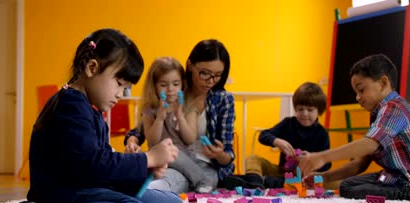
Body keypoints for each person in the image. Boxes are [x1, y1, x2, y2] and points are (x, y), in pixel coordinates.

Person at [0, 28, 184, 203]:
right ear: (92, 68)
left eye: (126, 88)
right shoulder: (70, 106)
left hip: (88, 185)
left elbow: (101, 165)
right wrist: (148, 158)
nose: (121, 94)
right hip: (63, 193)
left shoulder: (89, 108)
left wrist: (145, 170)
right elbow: (96, 164)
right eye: (119, 84)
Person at [299, 54, 410, 203]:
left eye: (361, 90)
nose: (357, 97)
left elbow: (369, 144)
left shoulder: (394, 108)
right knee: (347, 186)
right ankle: (400, 192)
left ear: (383, 83)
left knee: (351, 190)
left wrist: (322, 157)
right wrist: (325, 177)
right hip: (396, 176)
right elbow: (359, 163)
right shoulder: (379, 114)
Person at [148, 39, 235, 193]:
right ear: (190, 65)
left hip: (204, 166)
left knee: (171, 180)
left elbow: (227, 156)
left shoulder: (223, 100)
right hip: (170, 159)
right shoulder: (176, 89)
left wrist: (219, 154)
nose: (210, 81)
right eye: (204, 73)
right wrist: (133, 139)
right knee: (167, 174)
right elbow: (148, 123)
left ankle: (159, 190)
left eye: (217, 75)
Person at [224, 82, 331, 190]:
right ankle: (255, 182)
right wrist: (276, 141)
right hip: (282, 171)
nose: (304, 114)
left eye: (310, 110)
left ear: (319, 111)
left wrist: (311, 159)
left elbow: (327, 165)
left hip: (305, 176)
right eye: (300, 109)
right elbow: (263, 135)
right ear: (295, 109)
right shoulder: (288, 123)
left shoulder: (322, 133)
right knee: (252, 159)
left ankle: (270, 182)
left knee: (323, 180)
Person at [138, 57, 212, 193]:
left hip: (184, 159)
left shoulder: (188, 107)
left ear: (182, 84)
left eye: (175, 84)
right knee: (168, 175)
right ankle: (157, 188)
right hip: (160, 160)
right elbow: (153, 141)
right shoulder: (150, 109)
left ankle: (202, 179)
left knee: (172, 153)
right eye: (163, 85)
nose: (170, 90)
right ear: (154, 86)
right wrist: (160, 118)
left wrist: (179, 115)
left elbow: (189, 138)